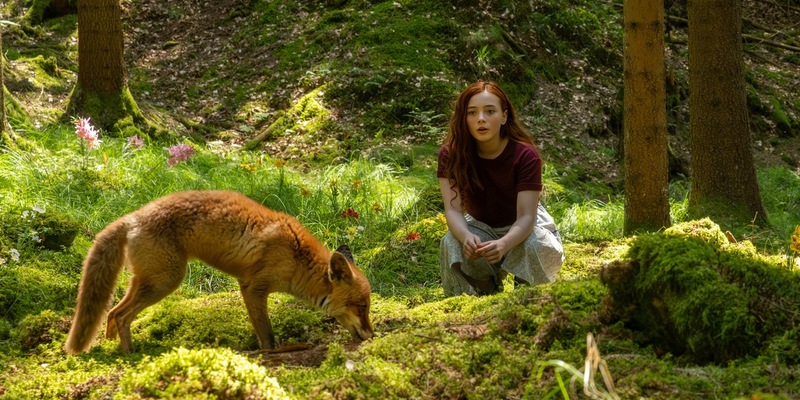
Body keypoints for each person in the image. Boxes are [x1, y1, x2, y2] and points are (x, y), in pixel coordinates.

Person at [437, 81, 564, 296]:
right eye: (472, 112)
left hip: (525, 227)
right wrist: (466, 236)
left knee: (535, 245)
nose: (481, 119)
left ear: (504, 116)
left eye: (490, 111)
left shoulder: (525, 156)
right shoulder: (451, 154)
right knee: (451, 241)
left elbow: (526, 217)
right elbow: (453, 210)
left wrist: (504, 244)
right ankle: (483, 292)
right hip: (480, 226)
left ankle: (527, 294)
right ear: (464, 118)